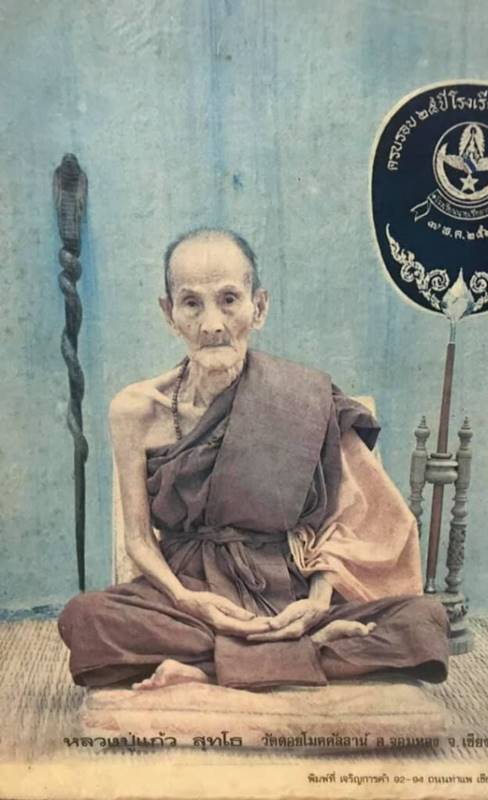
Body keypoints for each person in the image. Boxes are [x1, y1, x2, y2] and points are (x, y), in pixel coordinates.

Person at [58, 227, 450, 691]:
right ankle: (309, 652)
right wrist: (186, 599)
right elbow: (140, 540)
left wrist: (317, 603)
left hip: (289, 590)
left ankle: (210, 667)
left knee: (424, 622)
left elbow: (351, 521)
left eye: (229, 299)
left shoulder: (302, 396)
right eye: (191, 303)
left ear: (258, 307)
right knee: (86, 618)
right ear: (169, 314)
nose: (212, 324)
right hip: (191, 594)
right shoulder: (135, 410)